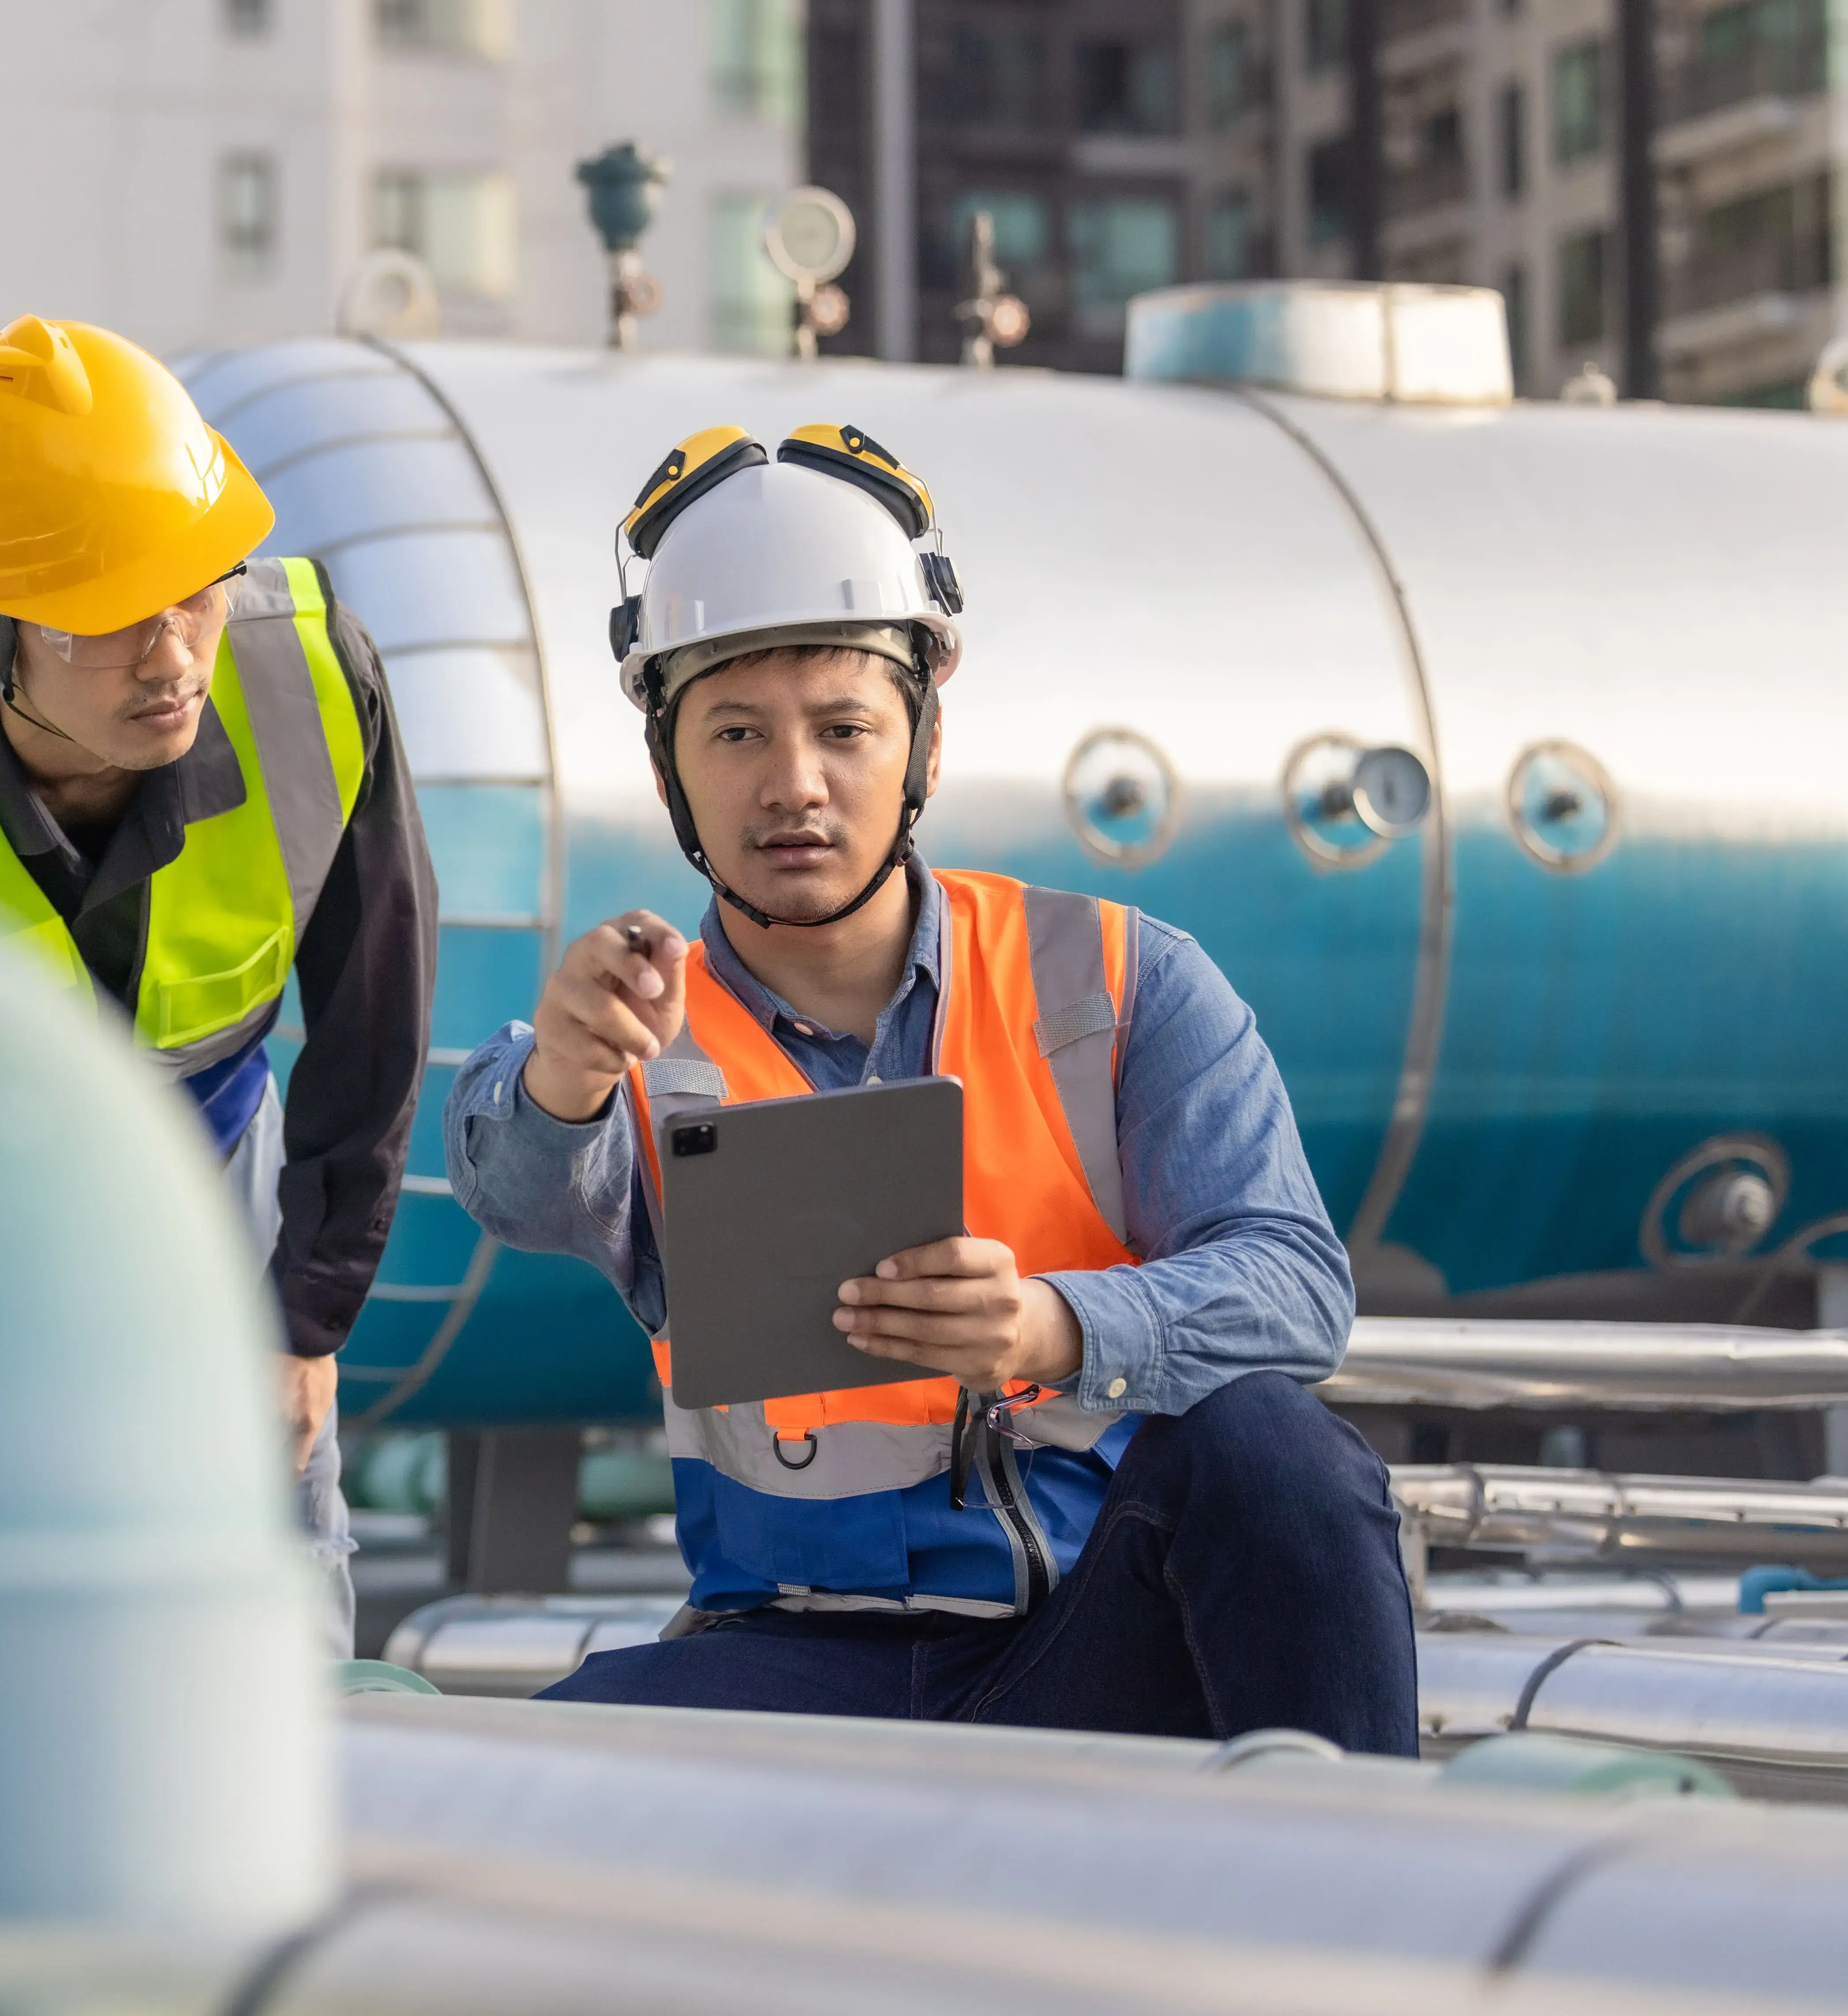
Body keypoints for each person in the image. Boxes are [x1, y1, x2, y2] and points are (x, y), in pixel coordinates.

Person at [442, 420, 1415, 1749]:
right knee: (500, 1785)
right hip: (788, 1658)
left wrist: (1049, 1325)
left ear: (925, 745)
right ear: (669, 764)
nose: (794, 783)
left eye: (844, 727)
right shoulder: (634, 1034)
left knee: (1275, 1454)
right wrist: (558, 1071)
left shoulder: (1119, 978)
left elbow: (1297, 1288)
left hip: (1093, 1645)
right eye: (734, 731)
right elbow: (512, 1181)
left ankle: (1365, 1906)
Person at [0, 314, 436, 1652]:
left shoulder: (311, 679)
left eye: (195, 585)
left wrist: (302, 1321)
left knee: (275, 1609)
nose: (172, 653)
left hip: (225, 1165)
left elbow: (371, 1012)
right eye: (107, 617)